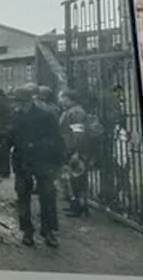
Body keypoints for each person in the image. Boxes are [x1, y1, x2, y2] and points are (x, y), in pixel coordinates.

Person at [12, 84, 63, 248]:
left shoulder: (45, 116)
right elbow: (9, 137)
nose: (16, 105)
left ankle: (48, 231)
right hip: (22, 161)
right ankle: (27, 231)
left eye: (19, 102)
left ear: (28, 101)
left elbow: (56, 139)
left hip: (43, 161)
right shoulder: (15, 116)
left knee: (48, 196)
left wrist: (38, 146)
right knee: (23, 196)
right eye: (16, 103)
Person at [57, 89, 101, 217]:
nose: (60, 100)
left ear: (68, 98)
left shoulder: (76, 112)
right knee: (74, 179)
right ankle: (77, 206)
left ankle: (80, 207)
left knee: (78, 179)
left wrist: (75, 151)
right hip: (72, 149)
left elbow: (78, 134)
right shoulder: (72, 111)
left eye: (62, 97)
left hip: (77, 151)